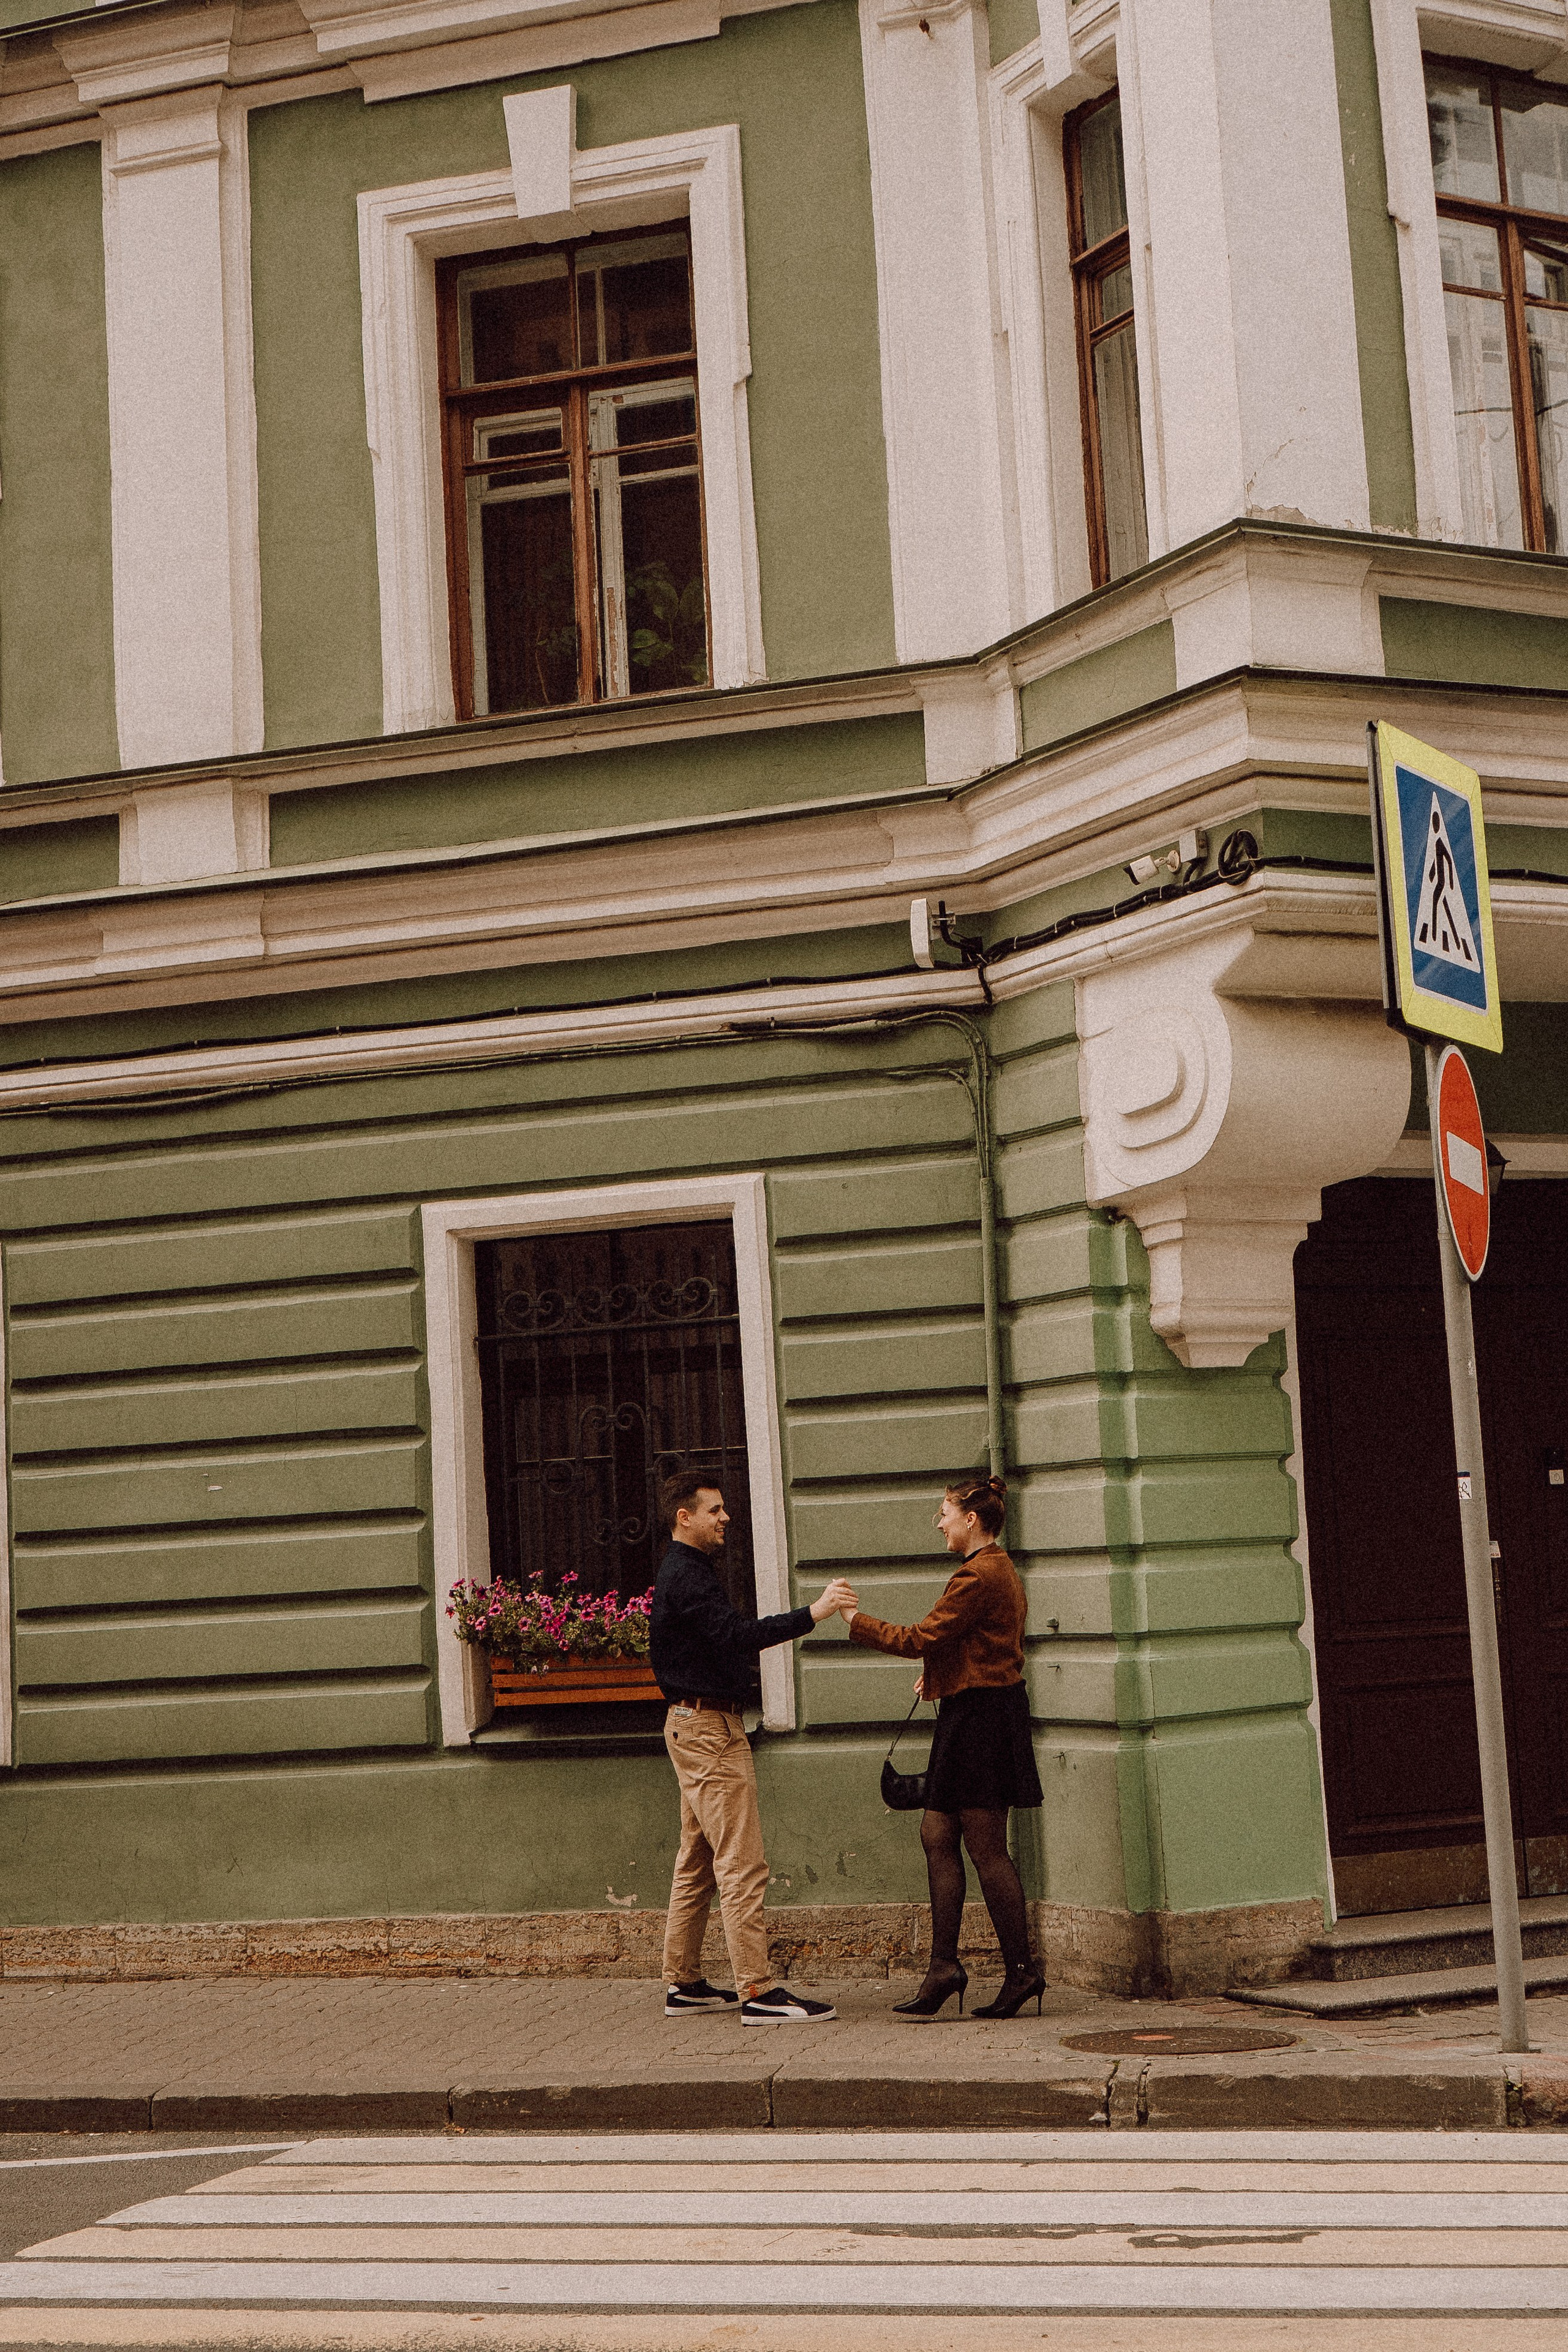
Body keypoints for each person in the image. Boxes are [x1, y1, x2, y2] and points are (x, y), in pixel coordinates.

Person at [651, 1466, 858, 2024]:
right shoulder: (688, 1575)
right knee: (742, 1864)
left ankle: (684, 1983)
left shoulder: (684, 1570)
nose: (726, 1518)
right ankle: (759, 1992)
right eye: (715, 1510)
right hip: (709, 1732)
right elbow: (737, 1637)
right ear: (684, 1517)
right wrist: (811, 1614)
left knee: (697, 1861)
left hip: (691, 1725)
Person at [840, 1473, 1045, 2020]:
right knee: (935, 1831)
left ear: (971, 1519)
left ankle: (1022, 1972)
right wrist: (942, 1674)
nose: (940, 1522)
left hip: (983, 1719)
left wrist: (853, 1621)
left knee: (985, 1847)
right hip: (972, 1711)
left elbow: (919, 1638)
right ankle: (943, 1969)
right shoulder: (987, 1571)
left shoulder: (978, 1576)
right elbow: (976, 1645)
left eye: (945, 1513)